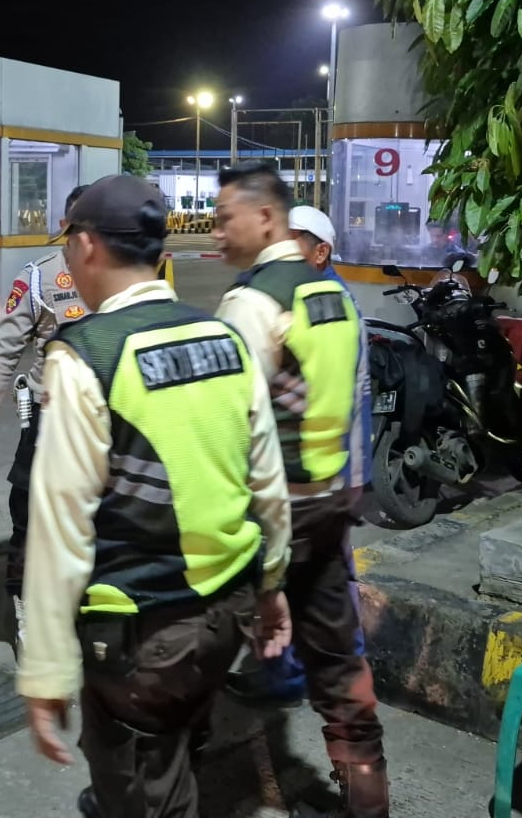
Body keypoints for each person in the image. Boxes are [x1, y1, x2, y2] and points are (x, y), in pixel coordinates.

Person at [15, 174, 293, 818]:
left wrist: (47, 670)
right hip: (228, 613)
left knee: (144, 791)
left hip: (144, 635)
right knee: (179, 745)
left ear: (86, 246)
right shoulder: (222, 336)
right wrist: (272, 586)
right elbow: (267, 483)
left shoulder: (86, 356)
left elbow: (60, 525)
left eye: (68, 244)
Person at [214, 162, 390, 818]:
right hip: (330, 498)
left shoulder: (253, 301)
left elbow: (229, 419)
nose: (216, 231)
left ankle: (163, 787)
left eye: (225, 217)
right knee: (338, 659)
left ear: (265, 217)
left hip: (272, 508)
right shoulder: (332, 294)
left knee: (192, 641)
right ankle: (367, 798)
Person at [228, 204, 371, 708]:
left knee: (302, 574)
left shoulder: (327, 303)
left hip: (312, 477)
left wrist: (355, 474)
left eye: (295, 242)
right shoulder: (298, 295)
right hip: (312, 477)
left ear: (320, 250)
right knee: (311, 577)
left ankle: (298, 672)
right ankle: (314, 668)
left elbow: (357, 394)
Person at [0, 184, 89, 649]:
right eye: (79, 226)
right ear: (66, 226)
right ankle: (26, 609)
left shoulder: (123, 276)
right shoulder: (39, 278)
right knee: (29, 516)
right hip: (50, 420)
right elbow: (3, 352)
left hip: (109, 420)